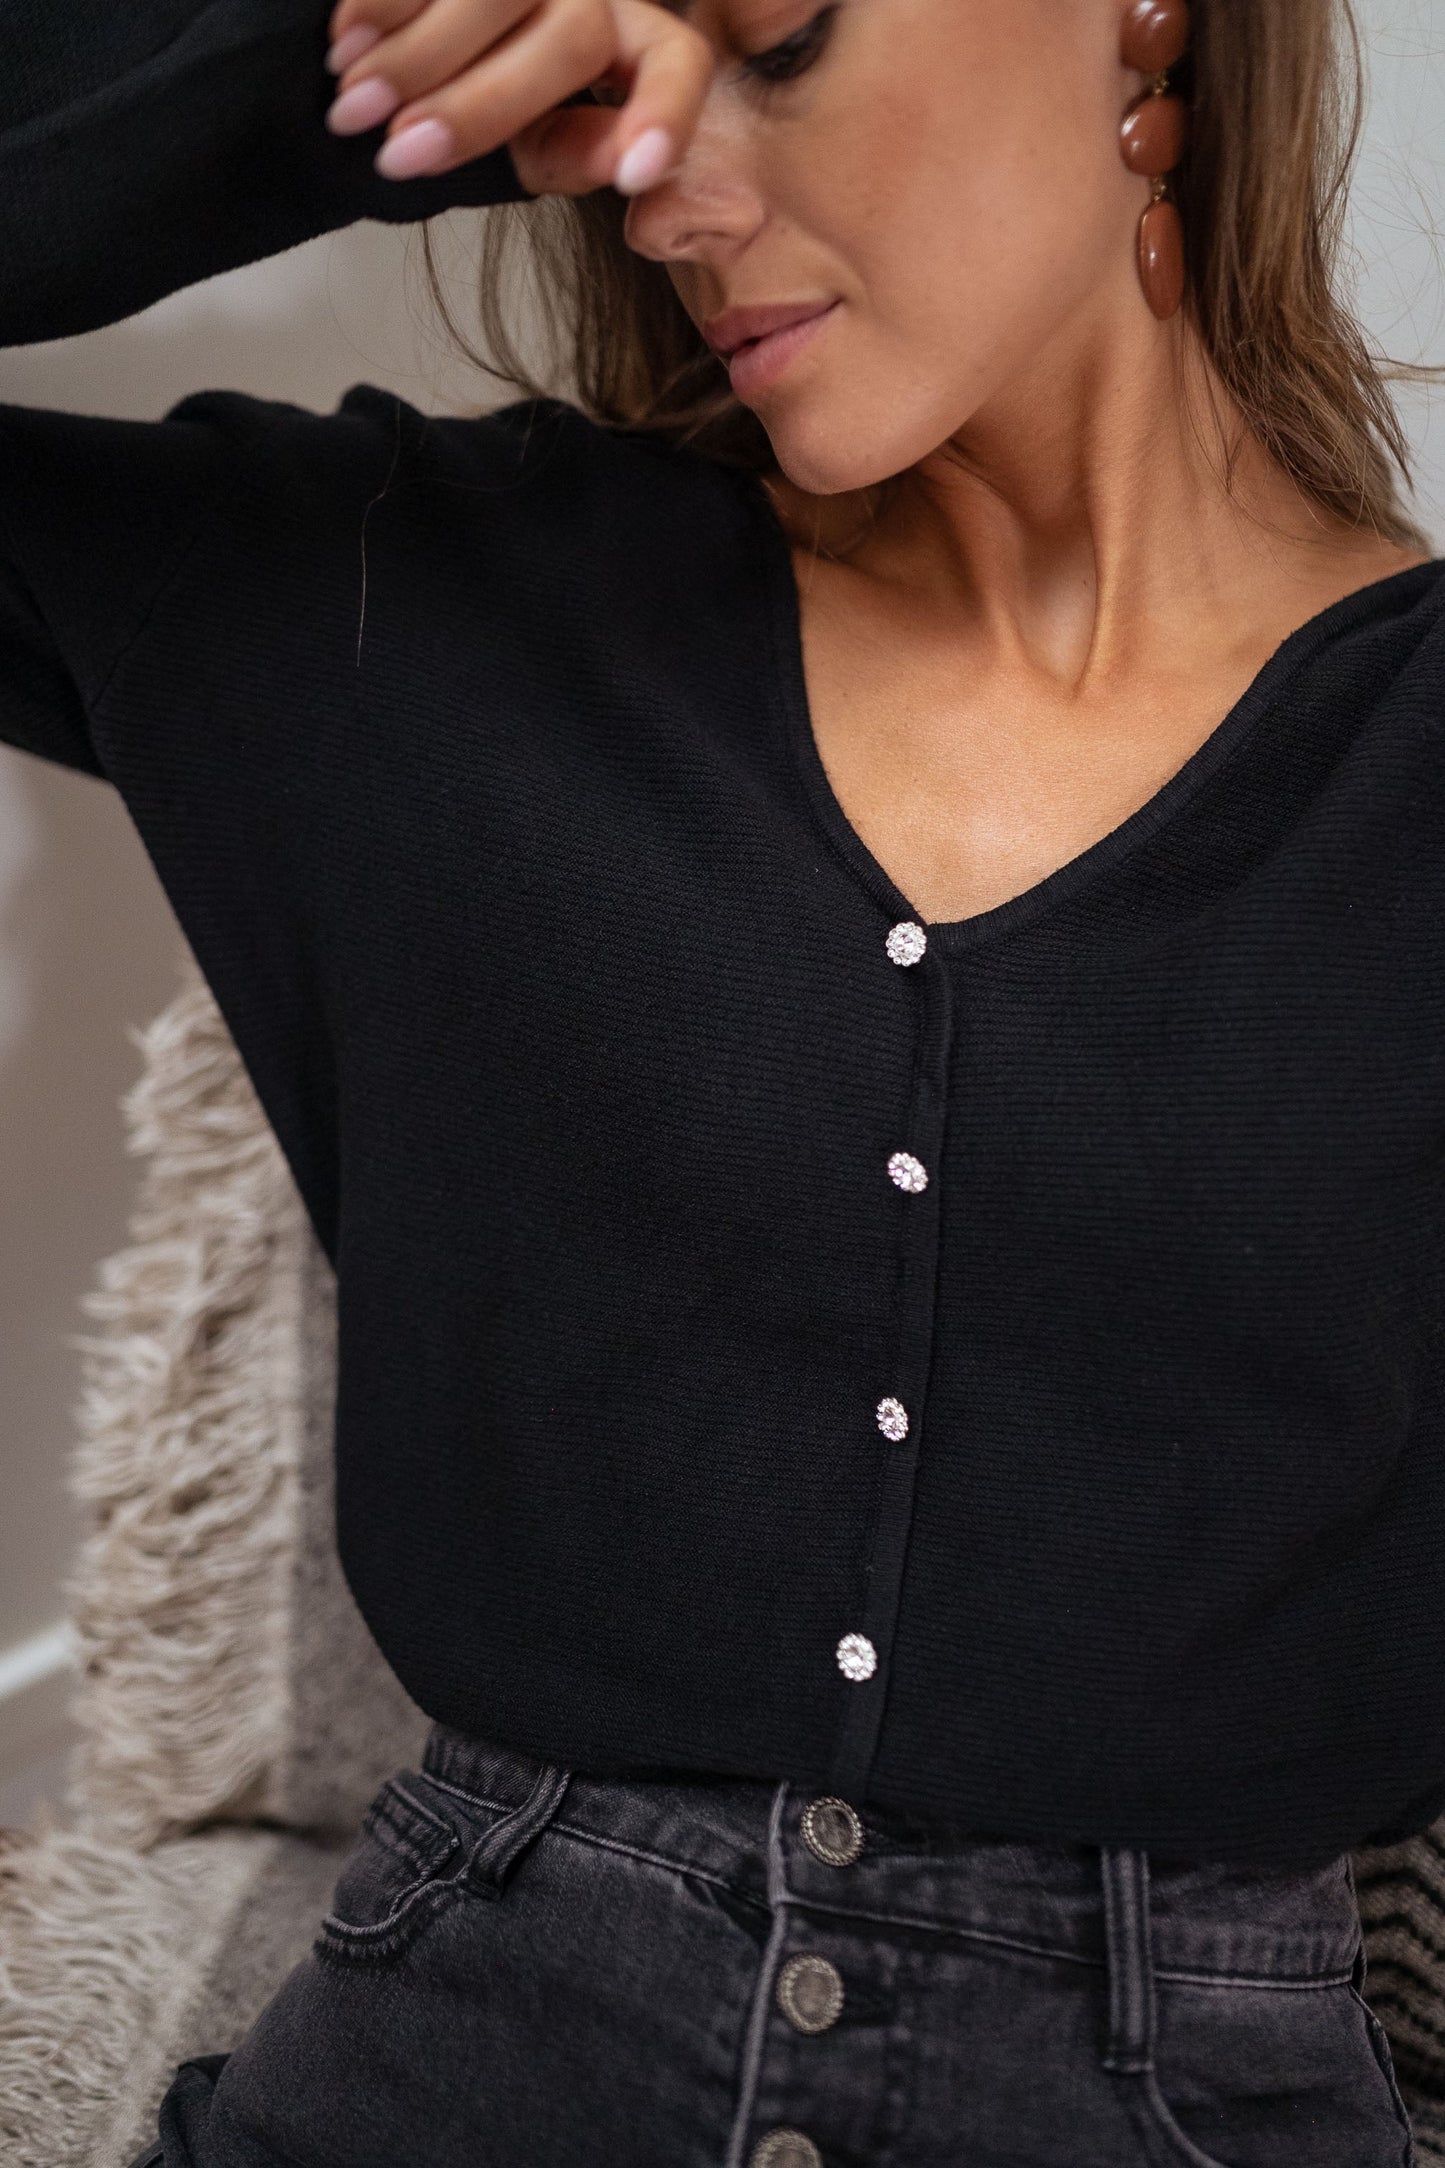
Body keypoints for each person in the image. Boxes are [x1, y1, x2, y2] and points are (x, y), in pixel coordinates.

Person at [1, 0, 1438, 2160]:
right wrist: (355, 70)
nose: (662, 191)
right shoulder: (437, 608)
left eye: (772, 38)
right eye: (603, 94)